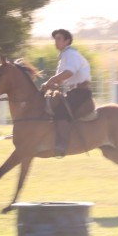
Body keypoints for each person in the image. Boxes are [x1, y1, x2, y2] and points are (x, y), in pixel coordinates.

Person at [40, 29, 94, 157]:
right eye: (55, 39)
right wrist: (48, 85)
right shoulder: (64, 56)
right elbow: (60, 80)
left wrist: (51, 80)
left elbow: (69, 72)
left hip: (81, 92)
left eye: (59, 39)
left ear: (67, 41)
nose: (56, 42)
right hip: (73, 91)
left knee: (61, 110)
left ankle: (62, 145)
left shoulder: (71, 54)